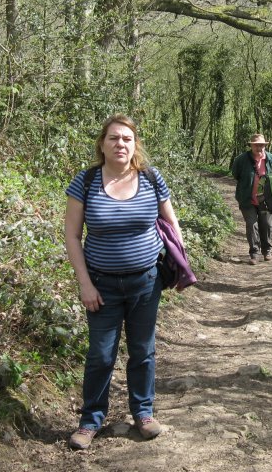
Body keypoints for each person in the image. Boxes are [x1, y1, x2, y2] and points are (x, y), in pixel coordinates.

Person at [64, 114, 183, 449]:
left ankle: (143, 413)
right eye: (114, 138)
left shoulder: (150, 178)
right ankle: (90, 421)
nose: (120, 144)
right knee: (101, 355)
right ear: (102, 144)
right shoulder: (85, 181)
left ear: (135, 145)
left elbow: (172, 226)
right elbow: (72, 236)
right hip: (100, 285)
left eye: (127, 139)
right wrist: (85, 284)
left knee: (143, 351)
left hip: (146, 282)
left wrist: (175, 266)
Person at [231, 133, 272, 264]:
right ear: (251, 146)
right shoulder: (241, 160)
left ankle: (267, 250)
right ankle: (254, 253)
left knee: (266, 225)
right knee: (252, 225)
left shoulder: (271, 159)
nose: (259, 148)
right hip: (247, 199)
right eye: (256, 145)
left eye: (261, 145)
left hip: (266, 200)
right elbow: (236, 174)